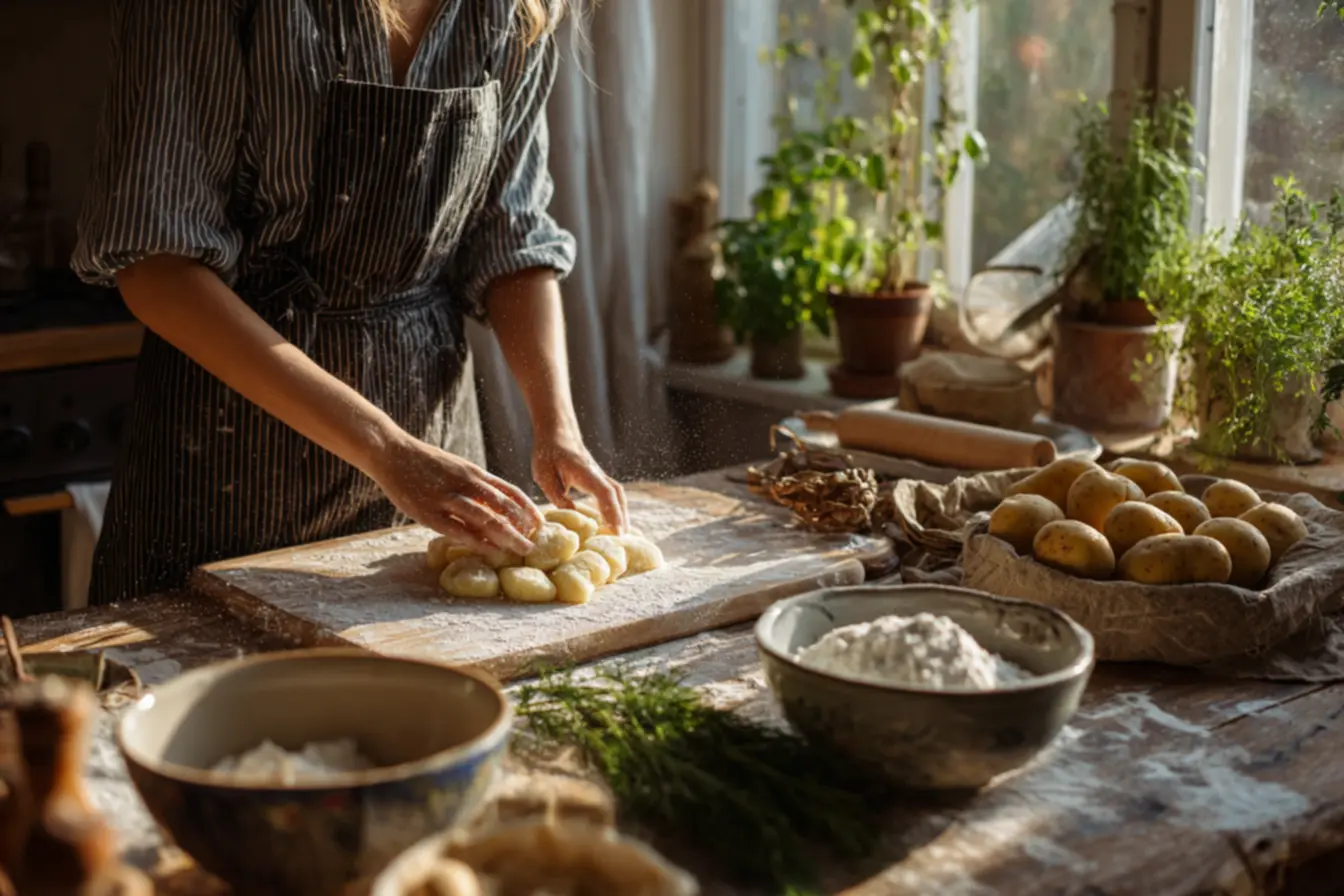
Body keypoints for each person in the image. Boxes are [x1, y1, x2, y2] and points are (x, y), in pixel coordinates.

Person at [71, 0, 627, 606]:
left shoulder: (514, 9)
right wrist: (386, 450)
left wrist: (557, 426)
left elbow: (511, 236)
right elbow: (158, 269)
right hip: (229, 460)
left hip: (434, 438)